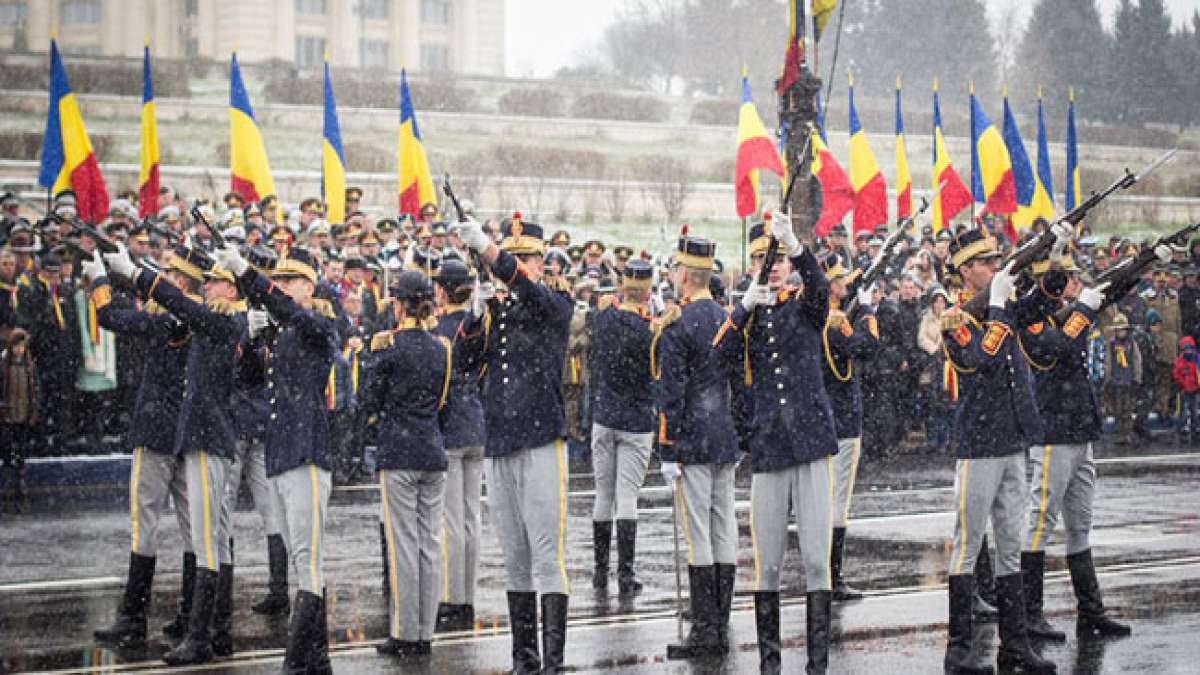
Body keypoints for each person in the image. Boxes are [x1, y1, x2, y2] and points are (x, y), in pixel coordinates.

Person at [103, 243, 247, 666]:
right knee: (205, 534)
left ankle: (188, 629)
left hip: (190, 431)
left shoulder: (203, 319)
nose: (212, 287)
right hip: (192, 431)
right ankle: (202, 624)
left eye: (219, 281)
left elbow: (114, 316)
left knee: (193, 535)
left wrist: (117, 275)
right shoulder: (206, 319)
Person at [714, 216, 838, 673]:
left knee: (814, 561)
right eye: (766, 261)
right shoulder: (748, 316)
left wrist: (800, 248)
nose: (774, 268)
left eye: (780, 260)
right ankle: (770, 665)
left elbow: (822, 291)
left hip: (808, 441)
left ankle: (817, 666)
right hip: (768, 446)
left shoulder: (804, 305)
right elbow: (717, 355)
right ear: (752, 267)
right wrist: (745, 306)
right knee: (766, 564)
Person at [939, 227, 1062, 674]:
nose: (995, 267)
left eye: (996, 262)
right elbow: (979, 361)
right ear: (966, 271)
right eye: (987, 263)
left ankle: (1015, 645)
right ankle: (958, 650)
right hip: (980, 443)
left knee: (1011, 545)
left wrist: (1054, 255)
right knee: (968, 544)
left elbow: (1043, 304)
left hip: (1012, 437)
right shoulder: (956, 319)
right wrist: (995, 305)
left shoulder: (1002, 308)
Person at [456, 215, 573, 673]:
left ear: (542, 264)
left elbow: (526, 289)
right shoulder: (499, 311)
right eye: (516, 255)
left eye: (528, 257)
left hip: (541, 437)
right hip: (501, 440)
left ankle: (554, 661)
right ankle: (525, 658)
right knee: (515, 557)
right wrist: (476, 313)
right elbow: (465, 365)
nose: (522, 264)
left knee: (547, 554)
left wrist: (490, 252)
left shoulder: (553, 302)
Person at [215, 245, 339, 675]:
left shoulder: (319, 324)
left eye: (290, 281)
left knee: (307, 558)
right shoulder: (283, 329)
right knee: (297, 553)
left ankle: (294, 662)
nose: (282, 287)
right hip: (282, 453)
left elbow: (292, 312)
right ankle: (317, 660)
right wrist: (249, 339)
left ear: (309, 286)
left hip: (306, 452)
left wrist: (250, 277)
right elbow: (245, 378)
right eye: (279, 281)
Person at [86, 247, 197, 650]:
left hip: (156, 431)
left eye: (170, 273)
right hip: (186, 432)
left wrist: (100, 279)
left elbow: (110, 317)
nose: (164, 277)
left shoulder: (168, 318)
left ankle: (134, 616)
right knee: (193, 528)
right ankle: (190, 615)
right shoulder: (198, 315)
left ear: (181, 282)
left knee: (144, 524)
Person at [1019, 256, 1134, 642]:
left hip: (1079, 430)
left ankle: (1091, 611)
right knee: (1040, 524)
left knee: (1080, 526)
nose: (1075, 283)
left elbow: (1104, 295)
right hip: (1053, 432)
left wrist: (1136, 269)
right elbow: (1061, 346)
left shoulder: (1071, 311)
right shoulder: (1031, 320)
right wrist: (1084, 305)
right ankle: (1030, 614)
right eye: (1067, 279)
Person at [657, 231, 739, 662]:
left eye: (674, 270)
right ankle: (720, 623)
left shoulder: (679, 322)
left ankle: (704, 627)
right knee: (723, 526)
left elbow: (672, 391)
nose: (672, 276)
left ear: (685, 275)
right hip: (724, 434)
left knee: (699, 534)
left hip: (693, 436)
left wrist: (667, 448)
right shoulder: (725, 318)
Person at [365, 271, 452, 659]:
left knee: (405, 545)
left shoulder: (389, 347)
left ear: (399, 305)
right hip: (432, 449)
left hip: (399, 451)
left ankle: (406, 632)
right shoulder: (441, 348)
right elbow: (441, 401)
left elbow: (369, 399)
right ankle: (426, 630)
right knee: (430, 545)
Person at [588, 259, 656, 596]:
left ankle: (600, 571)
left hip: (605, 414)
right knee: (627, 497)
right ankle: (625, 574)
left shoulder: (604, 319)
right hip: (637, 418)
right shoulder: (651, 330)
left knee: (604, 495)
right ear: (649, 291)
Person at [819, 258, 880, 604]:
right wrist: (868, 309)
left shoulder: (817, 315)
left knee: (825, 499)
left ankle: (826, 572)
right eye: (839, 279)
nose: (845, 282)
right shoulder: (837, 321)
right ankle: (833, 574)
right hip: (842, 417)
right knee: (838, 502)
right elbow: (866, 346)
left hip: (823, 416)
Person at [431, 260, 486, 631]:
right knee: (470, 518)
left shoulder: (439, 331)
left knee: (451, 521)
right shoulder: (477, 329)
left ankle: (453, 596)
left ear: (441, 291)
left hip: (450, 423)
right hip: (475, 423)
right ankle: (467, 594)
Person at [1, 328, 37, 514]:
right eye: (16, 346)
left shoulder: (29, 366)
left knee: (21, 448)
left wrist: (33, 411)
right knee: (7, 447)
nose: (19, 350)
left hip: (23, 413)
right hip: (8, 415)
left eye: (22, 346)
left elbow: (34, 391)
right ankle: (8, 482)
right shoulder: (4, 365)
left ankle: (20, 482)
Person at [1104, 313, 1142, 445]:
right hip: (1116, 380)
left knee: (1128, 408)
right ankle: (1119, 433)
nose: (1121, 332)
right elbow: (1108, 361)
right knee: (1117, 409)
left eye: (1123, 329)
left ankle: (1127, 433)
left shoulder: (1131, 344)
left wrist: (1137, 377)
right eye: (1118, 329)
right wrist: (1107, 378)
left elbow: (1136, 360)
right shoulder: (1111, 344)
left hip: (1128, 379)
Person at [1173, 336, 1200, 441]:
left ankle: (1195, 426)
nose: (1188, 351)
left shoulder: (1197, 360)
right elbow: (1176, 374)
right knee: (1183, 411)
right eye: (1186, 349)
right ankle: (1182, 427)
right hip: (1184, 389)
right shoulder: (1180, 361)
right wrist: (1182, 384)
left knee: (1194, 410)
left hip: (1195, 389)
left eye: (1190, 349)